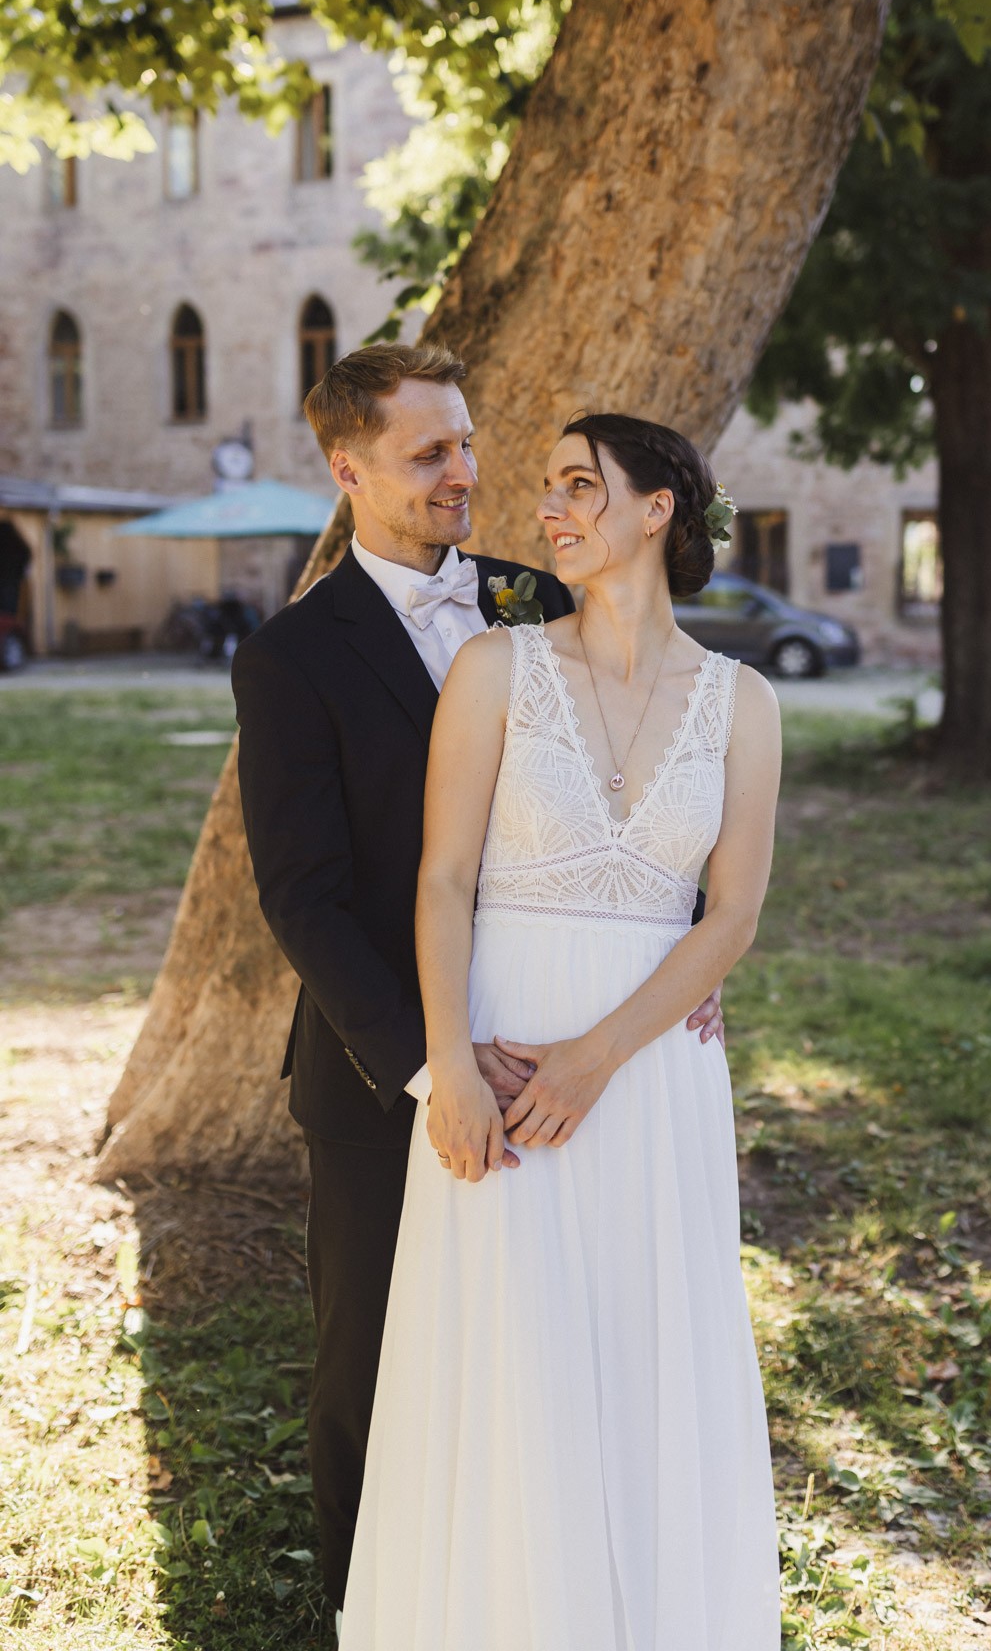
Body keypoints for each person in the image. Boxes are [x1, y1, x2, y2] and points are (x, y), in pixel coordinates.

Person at [230, 348, 725, 1627]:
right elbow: (303, 895)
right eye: (427, 454)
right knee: (371, 1367)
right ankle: (371, 1613)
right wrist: (429, 1064)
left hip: (560, 1028)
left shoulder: (530, 592)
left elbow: (630, 774)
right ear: (349, 472)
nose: (465, 473)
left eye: (465, 444)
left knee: (552, 1344)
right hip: (378, 1063)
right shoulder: (291, 657)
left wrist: (670, 959)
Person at [340, 414, 782, 1650]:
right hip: (497, 1045)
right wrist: (449, 1078)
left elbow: (732, 913)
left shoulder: (743, 704)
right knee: (510, 1358)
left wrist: (598, 1054)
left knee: (648, 1350)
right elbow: (440, 882)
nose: (550, 509)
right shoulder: (496, 668)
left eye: (582, 486)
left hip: (648, 1075)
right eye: (547, 489)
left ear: (658, 511)